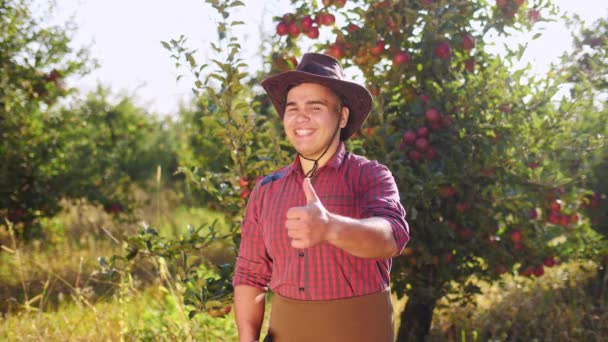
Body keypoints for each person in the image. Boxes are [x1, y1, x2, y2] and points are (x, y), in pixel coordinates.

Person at [232, 52, 410, 342]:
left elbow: (392, 237)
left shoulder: (370, 176)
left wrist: (330, 227)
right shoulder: (266, 190)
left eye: (315, 107)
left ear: (342, 116)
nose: (301, 117)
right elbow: (250, 275)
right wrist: (248, 338)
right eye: (293, 108)